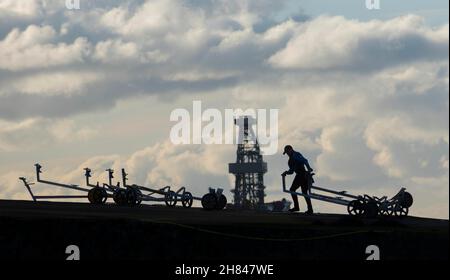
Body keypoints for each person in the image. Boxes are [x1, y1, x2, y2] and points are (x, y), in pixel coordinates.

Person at [281, 145, 314, 214]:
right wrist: (286, 172)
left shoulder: (296, 155)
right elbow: (292, 171)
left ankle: (297, 207)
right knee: (304, 192)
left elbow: (305, 161)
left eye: (287, 152)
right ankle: (310, 209)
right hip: (302, 175)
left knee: (292, 190)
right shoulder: (290, 160)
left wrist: (308, 168)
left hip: (301, 175)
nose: (287, 154)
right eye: (286, 153)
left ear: (291, 150)